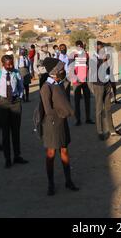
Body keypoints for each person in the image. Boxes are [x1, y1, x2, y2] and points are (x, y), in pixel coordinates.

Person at [40, 58, 79, 196]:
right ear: (54, 71)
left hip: (62, 122)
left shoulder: (59, 83)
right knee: (51, 154)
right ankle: (51, 184)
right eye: (61, 69)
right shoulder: (46, 87)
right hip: (52, 124)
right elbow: (48, 109)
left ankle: (68, 180)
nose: (63, 71)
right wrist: (62, 113)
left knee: (64, 151)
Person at [0, 55, 28, 169]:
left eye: (12, 64)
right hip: (3, 104)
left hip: (15, 104)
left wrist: (19, 97)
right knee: (5, 132)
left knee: (16, 131)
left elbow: (21, 87)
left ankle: (17, 156)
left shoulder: (16, 73)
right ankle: (7, 158)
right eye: (8, 64)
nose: (10, 66)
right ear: (3, 64)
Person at [89, 41, 121, 140]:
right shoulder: (93, 59)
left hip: (107, 85)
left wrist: (111, 85)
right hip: (98, 86)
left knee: (108, 109)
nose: (102, 50)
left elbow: (109, 71)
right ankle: (100, 131)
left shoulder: (106, 58)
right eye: (100, 48)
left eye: (103, 48)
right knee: (99, 110)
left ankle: (112, 130)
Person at [70, 40, 94, 126]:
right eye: (79, 46)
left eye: (82, 46)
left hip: (85, 81)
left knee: (87, 100)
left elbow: (89, 66)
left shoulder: (86, 55)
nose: (80, 47)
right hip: (77, 82)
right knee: (77, 102)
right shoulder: (73, 55)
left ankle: (88, 118)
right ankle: (77, 119)